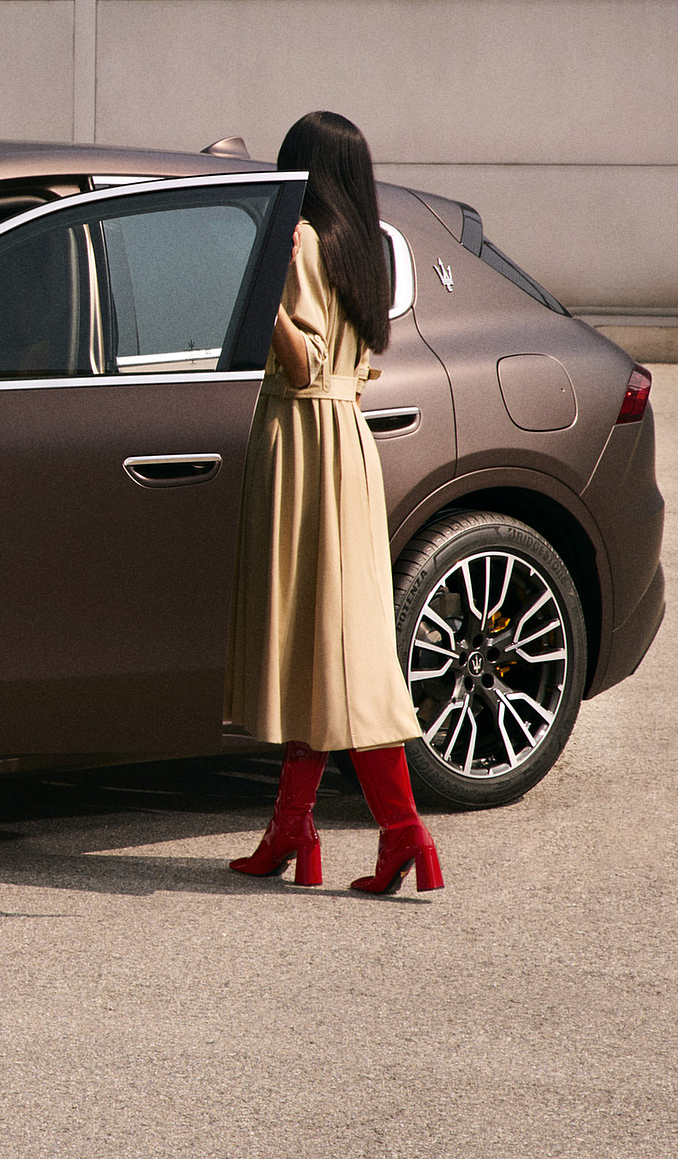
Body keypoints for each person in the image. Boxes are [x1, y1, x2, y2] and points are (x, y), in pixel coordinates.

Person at [225, 111, 444, 896]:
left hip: (302, 437)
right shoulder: (366, 247)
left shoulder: (306, 244)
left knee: (328, 646)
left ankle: (399, 831)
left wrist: (263, 298)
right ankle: (297, 831)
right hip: (347, 439)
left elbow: (302, 356)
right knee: (330, 642)